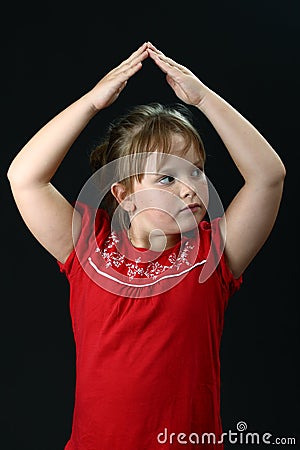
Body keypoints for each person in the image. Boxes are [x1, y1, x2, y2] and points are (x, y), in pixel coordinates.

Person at [7, 42, 286, 449]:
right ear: (123, 194)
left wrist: (204, 98)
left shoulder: (213, 253)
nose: (191, 190)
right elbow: (24, 177)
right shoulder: (88, 246)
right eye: (167, 179)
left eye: (195, 173)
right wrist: (91, 102)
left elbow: (268, 176)